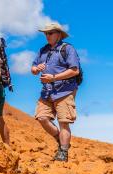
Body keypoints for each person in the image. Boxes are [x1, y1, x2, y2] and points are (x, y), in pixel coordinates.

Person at [30, 22, 80, 162]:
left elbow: (74, 70)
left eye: (50, 33)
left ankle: (63, 152)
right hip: (47, 92)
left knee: (63, 122)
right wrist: (36, 69)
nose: (47, 35)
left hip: (65, 90)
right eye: (45, 33)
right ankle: (61, 140)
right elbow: (33, 68)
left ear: (58, 34)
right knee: (41, 117)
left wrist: (54, 77)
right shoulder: (42, 50)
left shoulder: (67, 49)